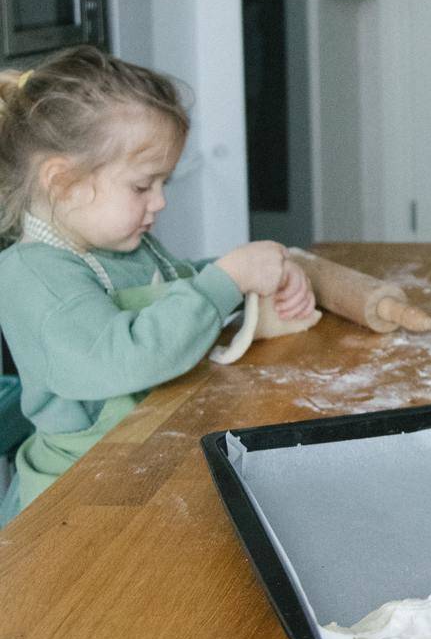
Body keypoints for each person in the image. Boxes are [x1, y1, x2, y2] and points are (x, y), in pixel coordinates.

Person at [0, 46, 315, 524]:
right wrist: (227, 279)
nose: (161, 202)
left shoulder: (122, 247)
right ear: (62, 182)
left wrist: (250, 276)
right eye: (143, 186)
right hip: (76, 502)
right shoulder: (34, 276)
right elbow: (124, 358)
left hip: (140, 465)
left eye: (164, 183)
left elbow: (179, 288)